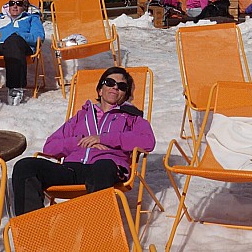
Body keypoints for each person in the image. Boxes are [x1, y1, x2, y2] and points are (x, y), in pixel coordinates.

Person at [10, 67, 155, 215]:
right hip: (71, 169)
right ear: (100, 90)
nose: (115, 87)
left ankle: (94, 234)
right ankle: (32, 233)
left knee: (101, 167)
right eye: (110, 82)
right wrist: (80, 141)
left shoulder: (132, 117)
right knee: (25, 166)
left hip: (107, 168)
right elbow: (50, 147)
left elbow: (147, 141)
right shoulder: (81, 116)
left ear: (125, 95)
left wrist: (104, 138)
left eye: (122, 86)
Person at [0, 0, 45, 103]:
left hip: (20, 46)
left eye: (19, 3)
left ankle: (15, 87)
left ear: (24, 7)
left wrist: (18, 35)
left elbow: (38, 37)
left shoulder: (32, 19)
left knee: (13, 41)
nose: (15, 6)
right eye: (12, 3)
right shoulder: (0, 19)